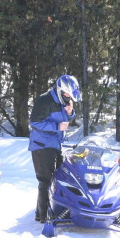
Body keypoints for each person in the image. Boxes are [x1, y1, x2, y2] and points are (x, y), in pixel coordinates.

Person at [28, 75, 81, 222]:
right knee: (45, 181)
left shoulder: (63, 101)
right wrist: (57, 127)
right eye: (67, 94)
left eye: (70, 95)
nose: (68, 97)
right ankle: (42, 215)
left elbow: (65, 118)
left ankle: (60, 209)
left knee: (61, 178)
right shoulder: (43, 101)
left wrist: (70, 113)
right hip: (41, 146)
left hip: (56, 145)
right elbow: (34, 123)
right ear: (60, 90)